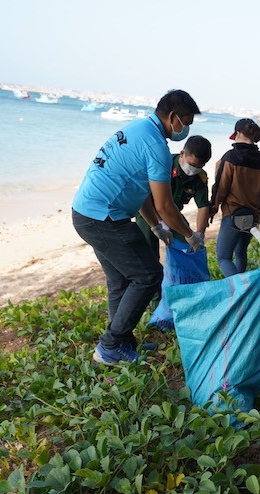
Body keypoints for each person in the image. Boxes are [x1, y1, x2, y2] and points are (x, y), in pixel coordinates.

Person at [72, 90, 205, 365]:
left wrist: (156, 227)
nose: (186, 129)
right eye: (186, 121)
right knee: (148, 276)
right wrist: (190, 235)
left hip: (88, 211)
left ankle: (122, 342)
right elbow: (166, 205)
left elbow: (142, 190)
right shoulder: (155, 145)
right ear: (173, 117)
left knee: (120, 280)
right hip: (103, 217)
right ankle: (109, 345)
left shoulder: (139, 129)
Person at [209, 118, 260, 277]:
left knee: (223, 257)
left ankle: (240, 291)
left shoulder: (230, 157)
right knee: (241, 252)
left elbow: (221, 188)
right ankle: (242, 286)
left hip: (233, 215)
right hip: (252, 217)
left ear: (237, 134)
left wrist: (213, 208)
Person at [135, 135, 213, 256]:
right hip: (149, 211)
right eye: (192, 164)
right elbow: (147, 197)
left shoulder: (199, 177)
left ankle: (182, 272)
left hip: (173, 213)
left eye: (200, 166)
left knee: (189, 244)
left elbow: (203, 206)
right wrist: (160, 223)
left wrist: (199, 233)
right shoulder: (164, 165)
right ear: (182, 154)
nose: (195, 169)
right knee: (148, 250)